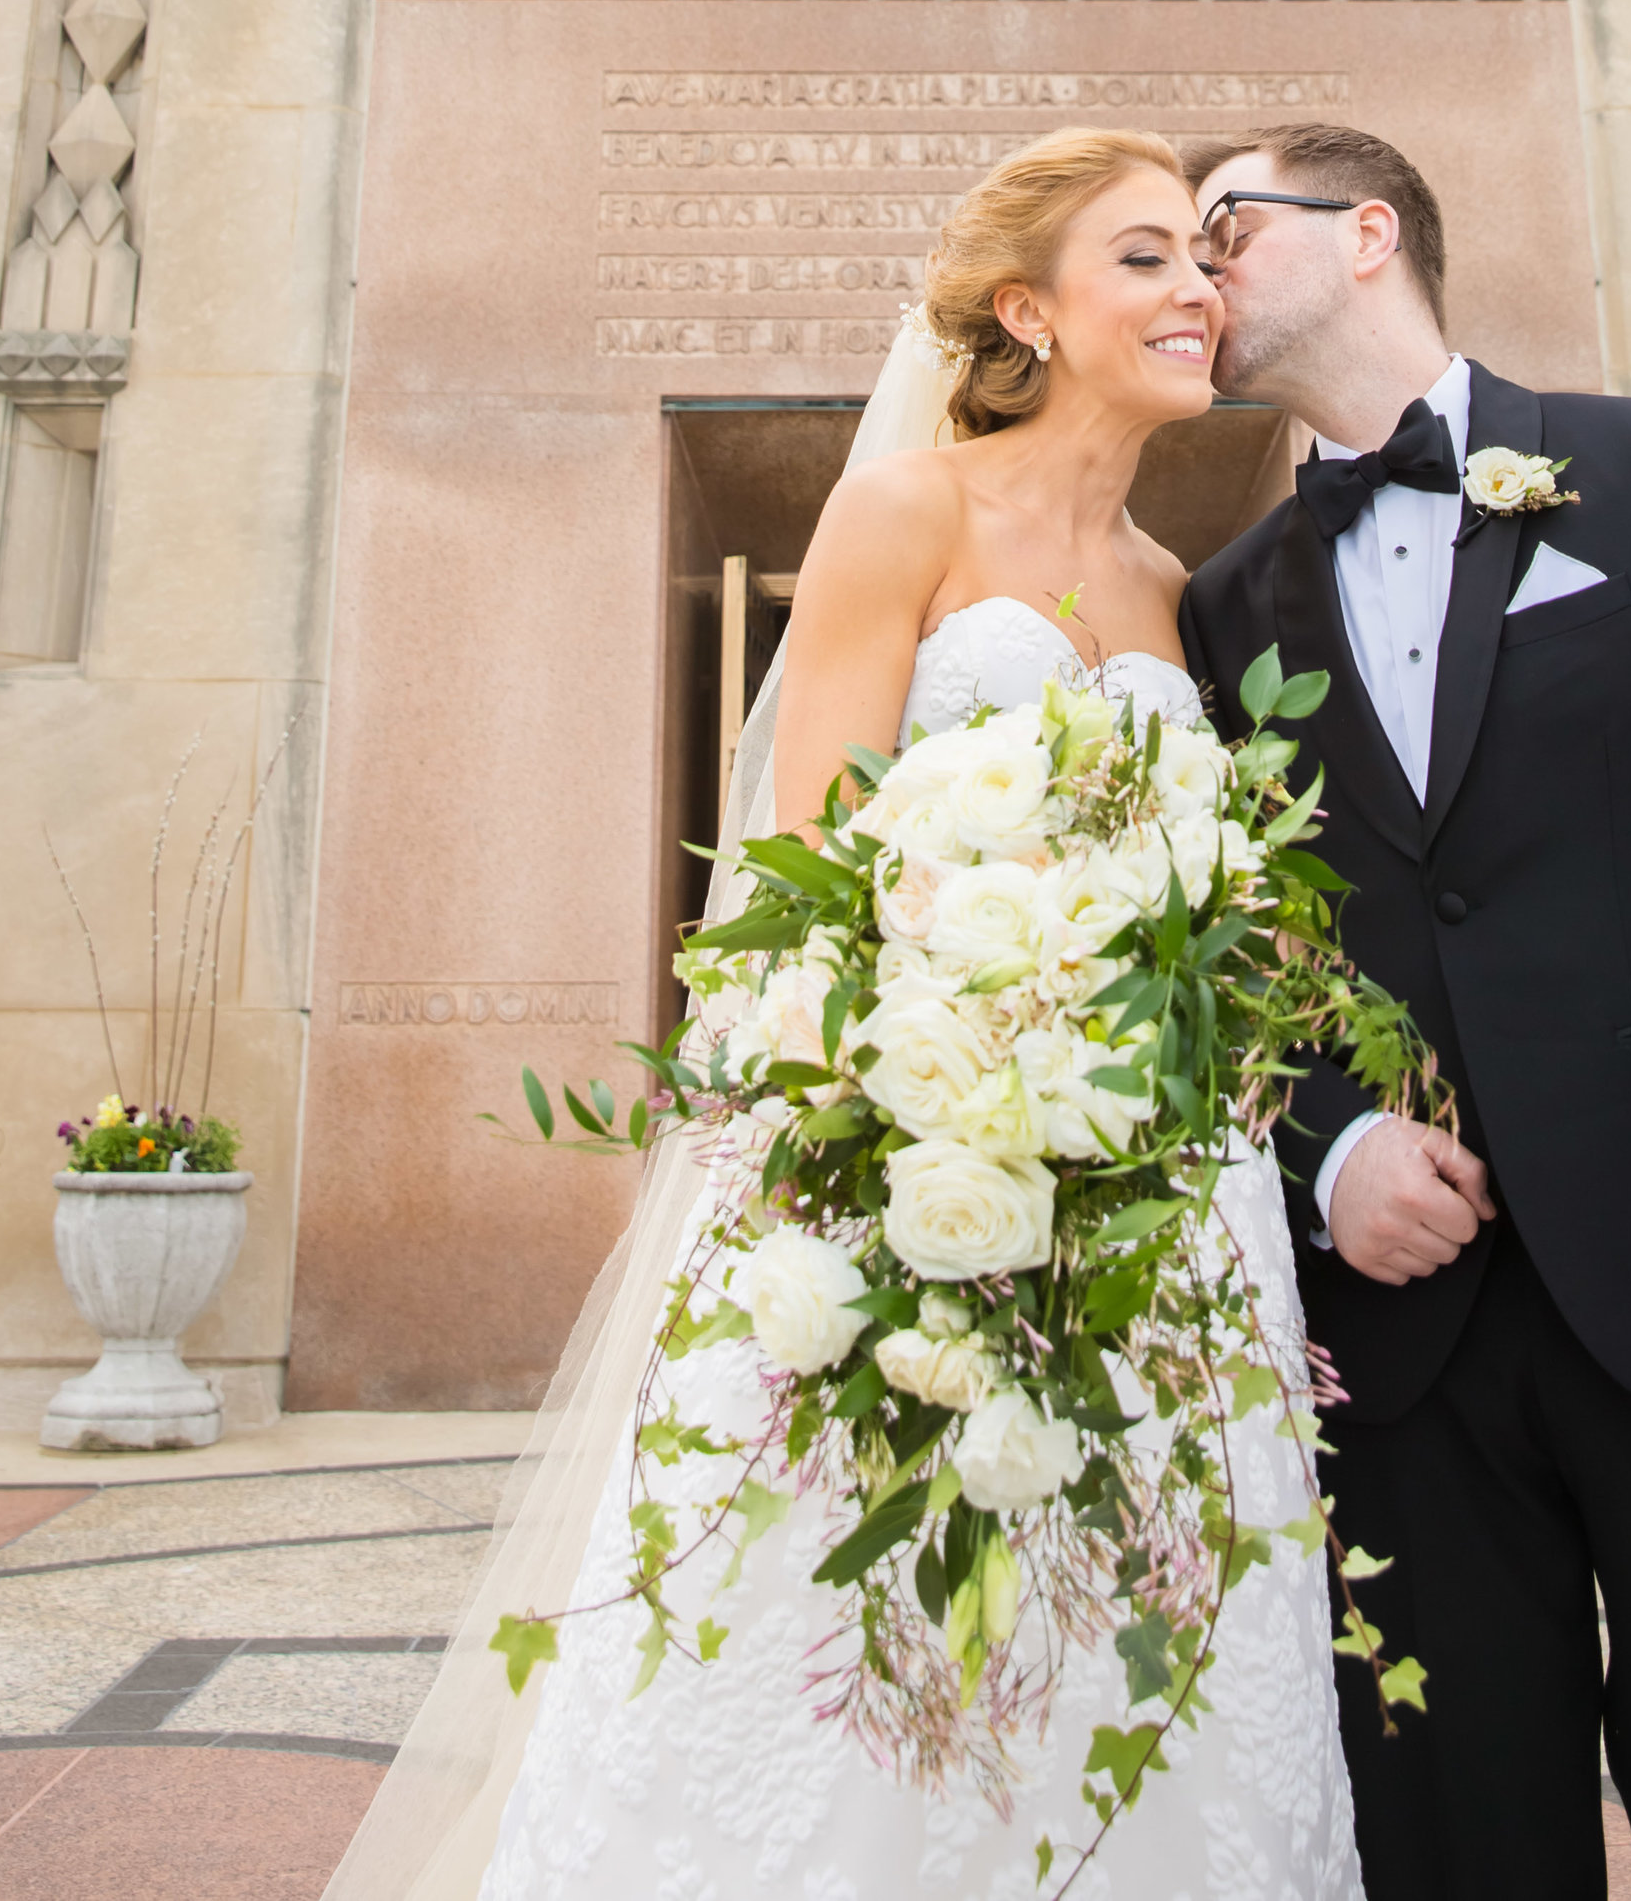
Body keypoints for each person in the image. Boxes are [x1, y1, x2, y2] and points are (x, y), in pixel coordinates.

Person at [327, 125, 1373, 1901]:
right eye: (1143, 258)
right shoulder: (910, 509)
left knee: (1135, 1623)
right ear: (1021, 311)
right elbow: (803, 861)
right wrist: (907, 1124)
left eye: (1202, 258)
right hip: (913, 1144)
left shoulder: (1177, 597)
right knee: (854, 1613)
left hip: (1164, 1190)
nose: (1196, 289)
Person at [1175, 120, 1631, 1901]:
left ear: (1369, 232)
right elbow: (1222, 953)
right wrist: (1328, 1145)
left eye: (1223, 228)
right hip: (1402, 1349)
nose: (1193, 271)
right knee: (1451, 1847)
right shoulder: (1219, 612)